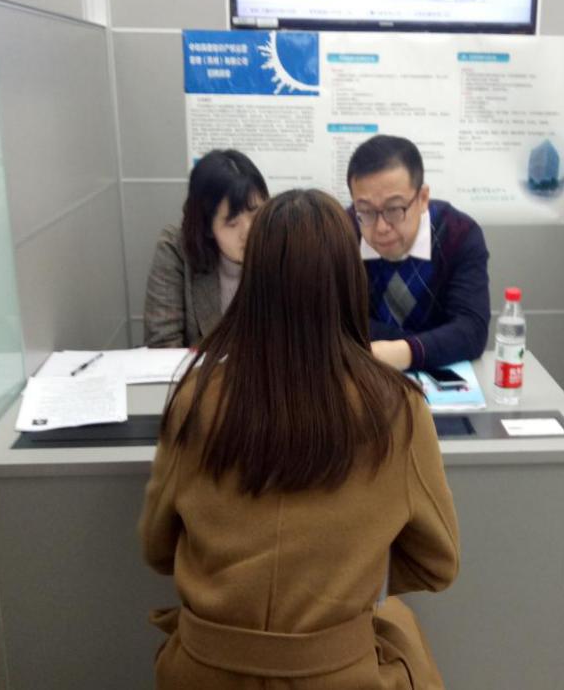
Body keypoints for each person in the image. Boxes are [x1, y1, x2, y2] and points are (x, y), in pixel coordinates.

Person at [139, 189, 459, 689]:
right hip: (339, 675)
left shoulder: (194, 398)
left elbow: (157, 548)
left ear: (252, 279)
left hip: (203, 672)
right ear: (349, 278)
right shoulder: (398, 408)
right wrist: (344, 570)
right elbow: (437, 563)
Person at [347, 135, 491, 371]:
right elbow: (334, 322)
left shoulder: (459, 234)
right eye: (366, 211)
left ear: (423, 198)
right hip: (364, 376)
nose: (381, 227)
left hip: (442, 381)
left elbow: (471, 330)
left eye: (394, 209)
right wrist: (435, 343)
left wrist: (405, 352)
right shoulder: (343, 232)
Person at [143, 149, 268, 348]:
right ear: (207, 227)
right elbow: (163, 344)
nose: (248, 232)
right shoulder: (176, 250)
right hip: (199, 368)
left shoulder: (283, 244)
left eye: (256, 215)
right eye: (232, 223)